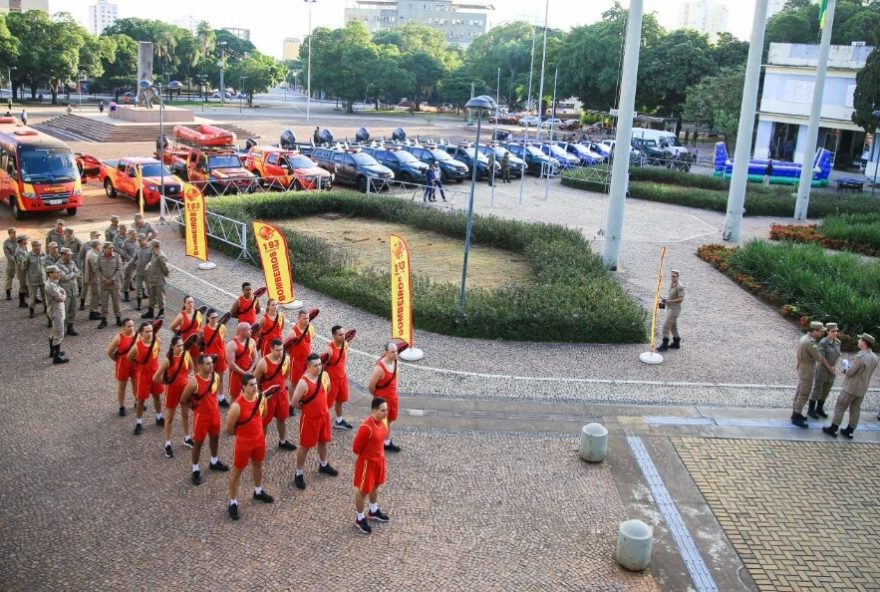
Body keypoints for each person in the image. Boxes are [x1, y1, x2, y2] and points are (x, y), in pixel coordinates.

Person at [224, 374, 275, 520]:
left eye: (255, 384)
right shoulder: (236, 406)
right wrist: (243, 434)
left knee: (258, 465)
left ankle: (258, 491)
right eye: (251, 385)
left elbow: (263, 414)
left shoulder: (261, 398)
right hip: (243, 442)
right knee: (237, 472)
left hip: (259, 439)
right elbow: (229, 429)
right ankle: (233, 502)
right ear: (243, 387)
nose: (255, 387)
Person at [290, 353, 338, 490]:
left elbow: (327, 390)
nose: (319, 367)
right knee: (305, 447)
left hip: (323, 416)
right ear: (308, 366)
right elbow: (294, 402)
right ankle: (298, 473)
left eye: (320, 364)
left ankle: (323, 464)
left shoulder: (325, 376)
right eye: (315, 365)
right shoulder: (303, 383)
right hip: (309, 419)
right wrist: (308, 409)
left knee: (323, 442)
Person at [180, 354, 230, 485]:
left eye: (212, 363)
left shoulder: (216, 377)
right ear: (200, 366)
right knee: (198, 444)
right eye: (208, 364)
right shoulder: (194, 382)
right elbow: (183, 399)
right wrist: (195, 409)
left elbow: (214, 394)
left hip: (214, 415)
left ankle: (214, 461)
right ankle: (195, 469)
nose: (211, 365)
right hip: (201, 417)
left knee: (215, 438)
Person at [823, 334, 878, 439]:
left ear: (864, 342)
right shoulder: (874, 358)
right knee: (855, 409)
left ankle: (833, 428)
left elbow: (850, 372)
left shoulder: (860, 356)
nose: (858, 341)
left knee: (840, 407)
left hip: (850, 388)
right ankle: (850, 430)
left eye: (860, 340)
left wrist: (845, 369)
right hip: (862, 389)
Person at [352, 397, 390, 534]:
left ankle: (373, 510)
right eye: (382, 410)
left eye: (386, 410)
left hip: (379, 460)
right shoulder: (366, 427)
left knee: (375, 486)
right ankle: (360, 518)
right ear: (374, 410)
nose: (386, 413)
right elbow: (356, 448)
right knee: (362, 491)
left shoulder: (383, 421)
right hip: (367, 463)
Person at [253, 338, 297, 451]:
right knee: (264, 422)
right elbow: (255, 381)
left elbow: (285, 375)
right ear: (271, 349)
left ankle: (282, 441)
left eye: (282, 349)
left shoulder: (286, 359)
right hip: (268, 397)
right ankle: (260, 444)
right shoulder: (263, 363)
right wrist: (259, 396)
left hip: (281, 394)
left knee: (282, 419)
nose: (280, 352)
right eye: (277, 350)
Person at [154, 335, 194, 458]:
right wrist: (167, 383)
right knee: (169, 418)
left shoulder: (186, 354)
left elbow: (191, 367)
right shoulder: (167, 360)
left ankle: (187, 437)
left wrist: (184, 379)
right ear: (172, 346)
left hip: (184, 389)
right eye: (178, 346)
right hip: (172, 391)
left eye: (182, 345)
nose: (181, 347)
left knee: (185, 415)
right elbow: (155, 377)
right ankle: (167, 443)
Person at [790, 321, 832, 428]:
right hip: (807, 369)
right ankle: (796, 415)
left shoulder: (805, 338)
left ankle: (796, 412)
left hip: (803, 367)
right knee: (804, 393)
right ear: (815, 331)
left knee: (800, 390)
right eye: (820, 331)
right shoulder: (810, 342)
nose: (822, 333)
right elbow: (818, 358)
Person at [127, 321, 165, 435]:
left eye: (151, 331)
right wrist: (139, 366)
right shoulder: (137, 346)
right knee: (141, 400)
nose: (150, 333)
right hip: (143, 375)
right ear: (141, 333)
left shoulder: (157, 341)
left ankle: (159, 417)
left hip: (155, 373)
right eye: (147, 331)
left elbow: (157, 353)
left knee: (157, 396)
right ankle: (139, 422)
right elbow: (129, 358)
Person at [368, 342, 402, 452]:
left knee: (389, 420)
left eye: (396, 351)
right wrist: (377, 397)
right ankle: (376, 443)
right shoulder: (379, 368)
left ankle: (386, 442)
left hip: (392, 398)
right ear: (386, 352)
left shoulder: (395, 362)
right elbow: (371, 386)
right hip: (382, 399)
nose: (396, 354)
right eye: (393, 352)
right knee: (379, 422)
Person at [808, 322, 841, 420]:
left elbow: (838, 355)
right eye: (832, 331)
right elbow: (822, 358)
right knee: (817, 389)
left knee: (826, 390)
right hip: (823, 370)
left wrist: (836, 366)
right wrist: (830, 369)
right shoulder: (823, 342)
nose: (835, 333)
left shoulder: (838, 342)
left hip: (832, 371)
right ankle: (811, 409)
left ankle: (819, 408)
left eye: (836, 331)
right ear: (827, 332)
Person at [323, 325, 354, 430]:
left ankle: (339, 421)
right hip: (332, 381)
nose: (343, 336)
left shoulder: (345, 344)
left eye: (344, 334)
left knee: (340, 400)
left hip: (342, 378)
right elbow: (322, 366)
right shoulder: (329, 350)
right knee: (326, 405)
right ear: (334, 336)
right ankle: (322, 424)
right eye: (340, 335)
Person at [107, 318, 137, 416]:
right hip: (123, 366)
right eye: (129, 326)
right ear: (123, 327)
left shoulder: (137, 336)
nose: (131, 328)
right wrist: (117, 360)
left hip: (134, 364)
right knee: (122, 387)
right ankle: (122, 406)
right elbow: (109, 352)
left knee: (135, 384)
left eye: (132, 325)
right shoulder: (119, 338)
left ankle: (137, 402)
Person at [200, 309, 229, 407]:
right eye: (212, 317)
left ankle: (221, 397)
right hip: (209, 359)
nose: (215, 319)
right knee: (209, 379)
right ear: (208, 318)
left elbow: (222, 342)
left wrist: (224, 356)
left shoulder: (222, 328)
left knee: (220, 378)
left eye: (216, 317)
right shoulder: (203, 330)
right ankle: (209, 397)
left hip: (220, 357)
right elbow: (200, 345)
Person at [287, 308, 315, 401]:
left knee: (305, 380)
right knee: (294, 383)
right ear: (298, 318)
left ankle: (301, 397)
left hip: (307, 361)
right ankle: (291, 402)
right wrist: (294, 355)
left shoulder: (310, 327)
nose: (307, 320)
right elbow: (287, 347)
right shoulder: (293, 332)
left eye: (307, 318)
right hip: (296, 361)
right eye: (304, 318)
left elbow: (310, 341)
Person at [226, 322, 257, 403]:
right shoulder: (231, 345)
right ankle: (233, 414)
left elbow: (255, 357)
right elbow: (231, 364)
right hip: (236, 375)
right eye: (249, 330)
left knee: (249, 395)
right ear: (242, 332)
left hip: (248, 373)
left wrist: (250, 369)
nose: (251, 331)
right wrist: (244, 373)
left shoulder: (252, 341)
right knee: (235, 397)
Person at [45, 266, 69, 364]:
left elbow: (61, 290)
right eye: (56, 272)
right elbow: (61, 298)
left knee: (54, 331)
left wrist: (63, 293)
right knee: (59, 333)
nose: (58, 274)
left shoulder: (54, 283)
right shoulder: (51, 286)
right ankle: (56, 356)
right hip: (56, 311)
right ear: (50, 274)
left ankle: (53, 351)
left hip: (56, 310)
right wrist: (64, 295)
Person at [96, 242, 123, 329]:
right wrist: (104, 279)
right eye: (109, 248)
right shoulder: (100, 257)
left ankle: (118, 318)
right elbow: (97, 269)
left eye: (112, 248)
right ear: (104, 249)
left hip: (115, 284)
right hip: (104, 284)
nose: (111, 250)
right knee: (104, 303)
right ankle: (104, 320)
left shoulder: (117, 256)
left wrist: (112, 279)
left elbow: (119, 269)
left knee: (116, 302)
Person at [657, 270, 685, 352]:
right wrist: (665, 299)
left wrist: (669, 301)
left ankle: (664, 345)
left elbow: (681, 299)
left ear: (677, 277)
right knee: (673, 326)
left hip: (674, 309)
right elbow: (672, 296)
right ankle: (676, 343)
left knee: (666, 327)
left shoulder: (679, 286)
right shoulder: (672, 284)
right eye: (671, 276)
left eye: (674, 276)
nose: (672, 277)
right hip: (670, 308)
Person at [56, 247, 81, 336]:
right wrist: (73, 274)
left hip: (74, 290)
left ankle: (70, 327)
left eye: (70, 255)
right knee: (64, 311)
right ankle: (61, 329)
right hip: (64, 292)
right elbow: (64, 277)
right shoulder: (58, 265)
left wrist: (71, 274)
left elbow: (78, 272)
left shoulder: (72, 262)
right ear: (63, 255)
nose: (70, 256)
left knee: (73, 310)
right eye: (68, 255)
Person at [142, 239, 169, 319]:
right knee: (152, 296)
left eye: (151, 245)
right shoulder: (154, 254)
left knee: (160, 297)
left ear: (155, 246)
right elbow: (152, 262)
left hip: (159, 280)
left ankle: (161, 312)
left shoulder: (161, 256)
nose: (150, 247)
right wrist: (149, 265)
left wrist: (166, 275)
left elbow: (165, 268)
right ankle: (150, 312)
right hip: (153, 279)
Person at [23, 240, 47, 319]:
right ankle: (31, 311)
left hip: (43, 279)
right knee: (32, 296)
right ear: (32, 247)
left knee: (44, 295)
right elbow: (23, 267)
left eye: (39, 246)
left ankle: (46, 308)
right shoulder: (28, 256)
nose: (38, 248)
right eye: (36, 246)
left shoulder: (43, 254)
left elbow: (46, 264)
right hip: (32, 280)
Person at [81, 236, 102, 320]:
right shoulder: (93, 255)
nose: (100, 246)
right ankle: (93, 312)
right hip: (93, 278)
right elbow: (95, 268)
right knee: (95, 295)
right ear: (96, 246)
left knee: (95, 295)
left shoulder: (91, 252)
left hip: (92, 277)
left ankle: (95, 310)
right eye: (100, 245)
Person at [132, 233, 151, 309]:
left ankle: (151, 304)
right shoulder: (137, 248)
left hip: (148, 272)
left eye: (140, 240)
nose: (139, 242)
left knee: (150, 289)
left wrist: (149, 264)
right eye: (138, 240)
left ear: (144, 239)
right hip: (139, 271)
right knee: (138, 289)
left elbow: (153, 259)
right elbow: (134, 258)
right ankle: (139, 305)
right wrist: (129, 263)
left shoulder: (150, 248)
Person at [120, 228, 138, 302]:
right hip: (129, 263)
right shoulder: (125, 243)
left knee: (140, 276)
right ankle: (126, 294)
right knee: (127, 278)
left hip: (137, 262)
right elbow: (124, 254)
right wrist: (131, 260)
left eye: (135, 234)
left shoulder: (137, 241)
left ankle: (142, 292)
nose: (135, 236)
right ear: (129, 235)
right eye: (133, 234)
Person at [13, 236, 29, 308]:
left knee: (27, 285)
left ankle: (33, 299)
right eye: (26, 239)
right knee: (23, 286)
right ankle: (21, 302)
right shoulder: (19, 251)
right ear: (22, 241)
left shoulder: (23, 248)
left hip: (24, 270)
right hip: (22, 271)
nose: (27, 240)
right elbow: (23, 262)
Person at [4, 227, 17, 301]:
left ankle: (26, 292)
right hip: (11, 263)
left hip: (19, 262)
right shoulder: (6, 243)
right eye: (13, 232)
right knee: (9, 278)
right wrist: (15, 260)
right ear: (9, 233)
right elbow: (8, 255)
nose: (15, 234)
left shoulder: (18, 240)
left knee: (24, 277)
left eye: (15, 232)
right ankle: (8, 293)